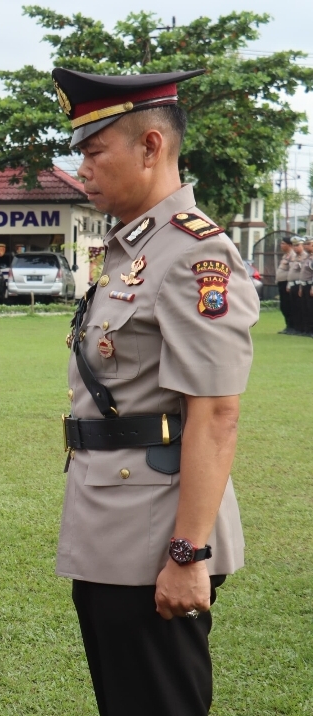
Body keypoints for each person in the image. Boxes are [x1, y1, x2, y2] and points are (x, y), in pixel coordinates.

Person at [52, 67, 258, 716]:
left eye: (93, 151)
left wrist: (188, 553)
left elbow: (217, 413)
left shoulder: (198, 256)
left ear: (150, 147)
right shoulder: (135, 249)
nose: (81, 168)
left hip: (156, 542)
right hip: (113, 525)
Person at [275, 237, 293, 334]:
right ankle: (288, 325)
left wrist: (289, 284)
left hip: (287, 283)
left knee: (287, 305)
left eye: (283, 243)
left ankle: (291, 326)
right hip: (282, 283)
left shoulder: (292, 255)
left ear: (289, 245)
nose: (281, 245)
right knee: (283, 306)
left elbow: (292, 270)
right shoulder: (285, 255)